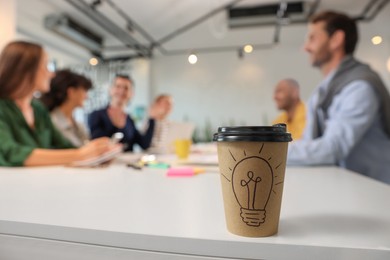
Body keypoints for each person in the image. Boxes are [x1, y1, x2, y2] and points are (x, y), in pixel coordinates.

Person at [287, 11, 390, 184]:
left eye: (312, 38)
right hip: (347, 189)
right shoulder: (320, 93)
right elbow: (308, 142)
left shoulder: (360, 88)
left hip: (376, 195)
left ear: (336, 40)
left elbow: (333, 148)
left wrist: (269, 151)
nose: (305, 47)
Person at [0, 41, 118, 167]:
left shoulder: (38, 109)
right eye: (45, 66)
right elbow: (10, 153)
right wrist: (80, 155)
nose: (51, 74)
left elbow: (62, 145)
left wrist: (96, 154)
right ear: (26, 69)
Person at [88, 74, 163, 152]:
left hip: (127, 163)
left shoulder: (129, 119)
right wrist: (116, 127)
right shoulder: (96, 115)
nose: (121, 91)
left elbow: (144, 144)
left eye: (126, 88)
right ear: (110, 90)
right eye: (118, 86)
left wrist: (152, 119)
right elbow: (96, 144)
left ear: (131, 93)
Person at [41, 69, 91, 147]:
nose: (87, 97)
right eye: (84, 91)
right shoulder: (51, 123)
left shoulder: (78, 124)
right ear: (71, 92)